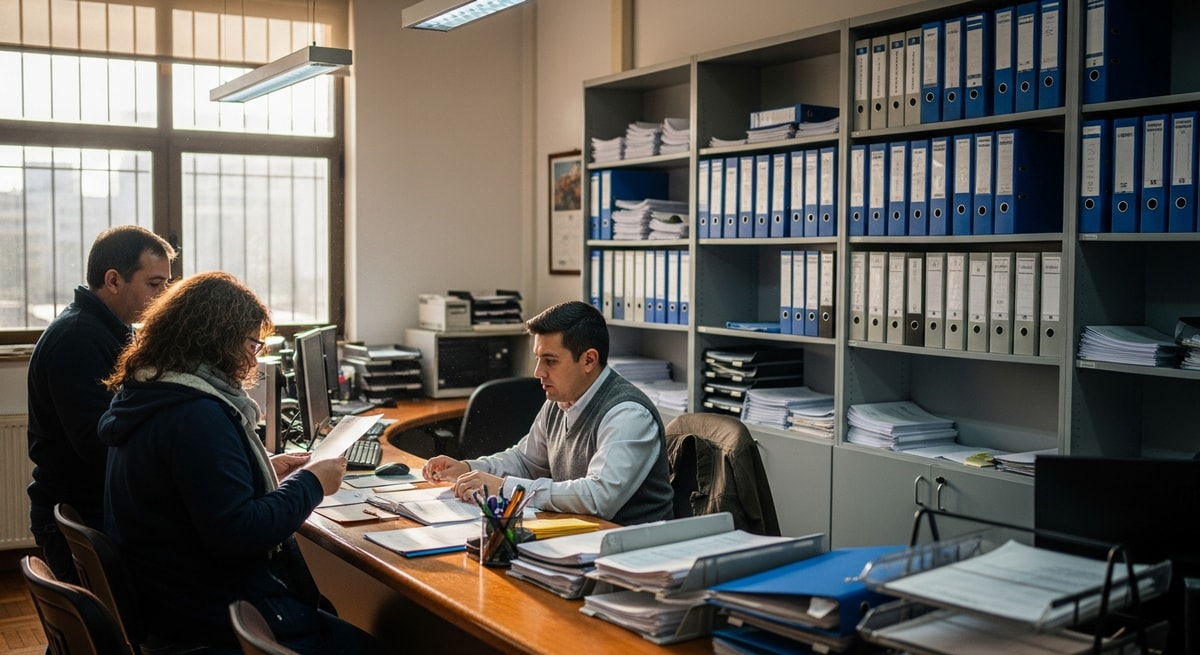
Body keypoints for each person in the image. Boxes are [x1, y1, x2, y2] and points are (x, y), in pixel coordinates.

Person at [97, 272, 386, 654]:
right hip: (210, 615)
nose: (255, 357)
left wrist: (262, 465)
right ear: (218, 340)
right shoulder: (196, 415)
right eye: (252, 343)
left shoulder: (152, 394)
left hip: (170, 602)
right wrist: (312, 483)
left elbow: (192, 487)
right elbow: (238, 534)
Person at [422, 300, 674, 525]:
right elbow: (525, 461)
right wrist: (467, 469)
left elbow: (600, 498)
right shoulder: (559, 401)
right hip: (581, 542)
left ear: (589, 360)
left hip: (631, 556)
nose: (538, 372)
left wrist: (504, 488)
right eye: (538, 358)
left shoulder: (628, 414)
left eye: (550, 361)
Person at [26, 224, 176, 584]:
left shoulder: (110, 330)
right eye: (155, 284)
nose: (164, 295)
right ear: (113, 280)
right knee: (104, 631)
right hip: (79, 514)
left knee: (96, 633)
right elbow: (97, 443)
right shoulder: (77, 339)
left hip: (92, 508)